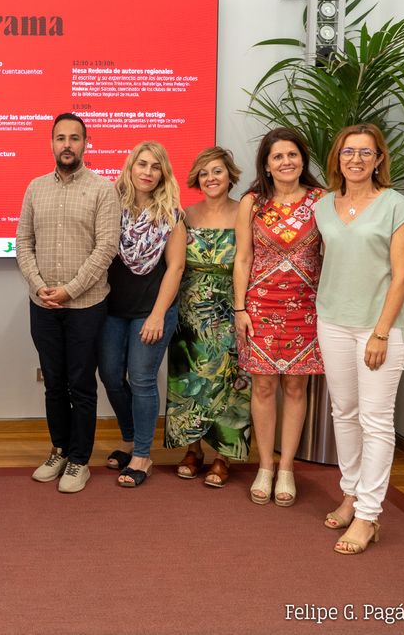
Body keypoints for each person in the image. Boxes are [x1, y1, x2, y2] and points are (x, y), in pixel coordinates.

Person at [313, 124, 404, 555]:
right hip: (333, 320)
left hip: (380, 327)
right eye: (348, 152)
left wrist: (379, 332)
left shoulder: (396, 205)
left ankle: (369, 515)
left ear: (378, 160)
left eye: (365, 153)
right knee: (345, 412)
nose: (356, 159)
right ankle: (351, 492)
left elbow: (402, 273)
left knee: (375, 419)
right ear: (338, 158)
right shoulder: (323, 206)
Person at [17, 113, 120, 494]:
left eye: (74, 138)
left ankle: (79, 460)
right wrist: (40, 285)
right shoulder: (35, 188)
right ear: (51, 143)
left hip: (86, 305)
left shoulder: (102, 189)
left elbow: (106, 247)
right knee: (54, 383)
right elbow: (23, 241)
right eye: (60, 138)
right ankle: (59, 449)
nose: (67, 145)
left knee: (81, 383)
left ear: (85, 144)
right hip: (42, 304)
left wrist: (70, 290)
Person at [232, 128, 324, 507]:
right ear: (266, 166)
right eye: (277, 157)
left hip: (308, 307)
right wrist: (239, 308)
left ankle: (287, 468)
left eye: (292, 155)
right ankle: (265, 466)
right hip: (261, 308)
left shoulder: (323, 201)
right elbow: (243, 258)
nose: (286, 162)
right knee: (264, 388)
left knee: (296, 389)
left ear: (302, 159)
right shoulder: (252, 202)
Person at [97, 141, 186, 487]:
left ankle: (142, 455)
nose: (147, 172)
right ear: (130, 167)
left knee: (142, 379)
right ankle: (130, 436)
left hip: (152, 310)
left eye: (155, 166)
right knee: (109, 375)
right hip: (111, 309)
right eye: (142, 164)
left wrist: (157, 315)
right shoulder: (110, 206)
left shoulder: (172, 215)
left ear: (163, 173)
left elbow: (176, 268)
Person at [164, 147, 252, 489]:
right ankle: (192, 449)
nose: (211, 178)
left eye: (217, 171)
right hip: (189, 311)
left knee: (229, 382)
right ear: (196, 180)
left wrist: (242, 308)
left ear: (229, 175)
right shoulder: (186, 215)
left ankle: (223, 456)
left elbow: (248, 262)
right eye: (204, 174)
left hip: (231, 307)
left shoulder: (244, 212)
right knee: (189, 380)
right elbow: (175, 265)